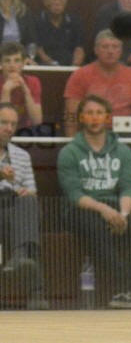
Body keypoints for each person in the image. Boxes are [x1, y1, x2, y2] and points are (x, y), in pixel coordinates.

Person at [57, 95, 131, 308]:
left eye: (99, 113)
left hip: (117, 207)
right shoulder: (69, 152)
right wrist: (104, 210)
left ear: (107, 118)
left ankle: (127, 291)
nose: (95, 117)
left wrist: (123, 215)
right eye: (89, 113)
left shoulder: (123, 151)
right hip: (82, 209)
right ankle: (130, 286)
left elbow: (128, 187)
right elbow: (74, 195)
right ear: (81, 117)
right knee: (95, 225)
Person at [0, 102, 48, 309]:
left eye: (13, 124)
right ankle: (37, 292)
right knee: (27, 231)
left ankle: (19, 256)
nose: (9, 128)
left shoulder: (22, 156)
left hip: (14, 209)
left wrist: (24, 191)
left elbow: (32, 190)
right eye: (4, 123)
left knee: (28, 202)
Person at [63, 30, 131, 137]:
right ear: (96, 50)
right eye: (105, 47)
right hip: (91, 133)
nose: (110, 51)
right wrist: (73, 143)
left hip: (126, 135)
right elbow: (71, 115)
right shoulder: (80, 75)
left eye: (115, 47)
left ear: (121, 50)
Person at [35, 0, 85, 67]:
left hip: (70, 67)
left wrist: (73, 68)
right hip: (45, 68)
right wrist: (53, 66)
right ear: (45, 1)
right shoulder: (36, 21)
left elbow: (79, 49)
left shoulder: (75, 21)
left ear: (66, 1)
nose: (57, 2)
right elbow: (37, 49)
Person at [0, 42, 43, 131]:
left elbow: (37, 121)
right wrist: (6, 92)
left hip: (25, 132)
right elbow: (3, 123)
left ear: (23, 63)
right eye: (7, 61)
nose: (12, 65)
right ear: (1, 64)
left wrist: (26, 91)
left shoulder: (33, 82)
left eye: (16, 60)